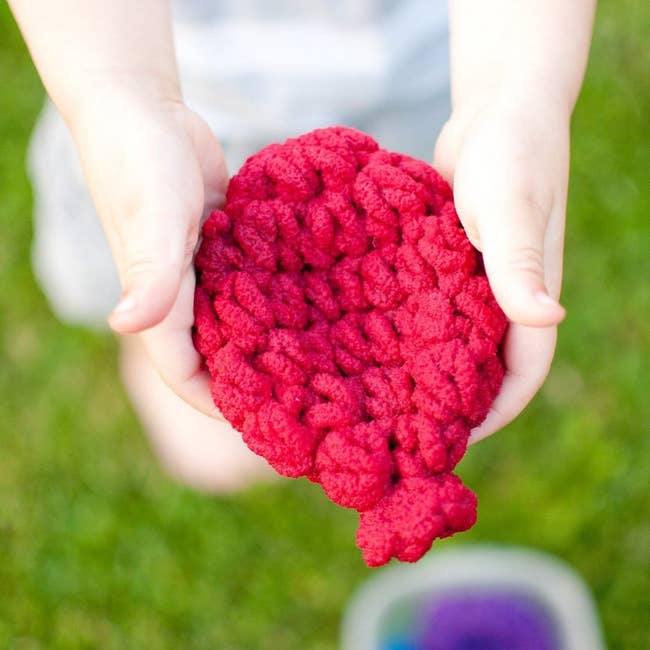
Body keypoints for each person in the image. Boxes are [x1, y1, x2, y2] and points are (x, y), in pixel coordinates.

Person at [7, 1, 595, 491]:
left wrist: (512, 99)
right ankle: (160, 336)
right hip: (163, 70)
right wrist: (121, 100)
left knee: (421, 233)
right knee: (148, 252)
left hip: (443, 63)